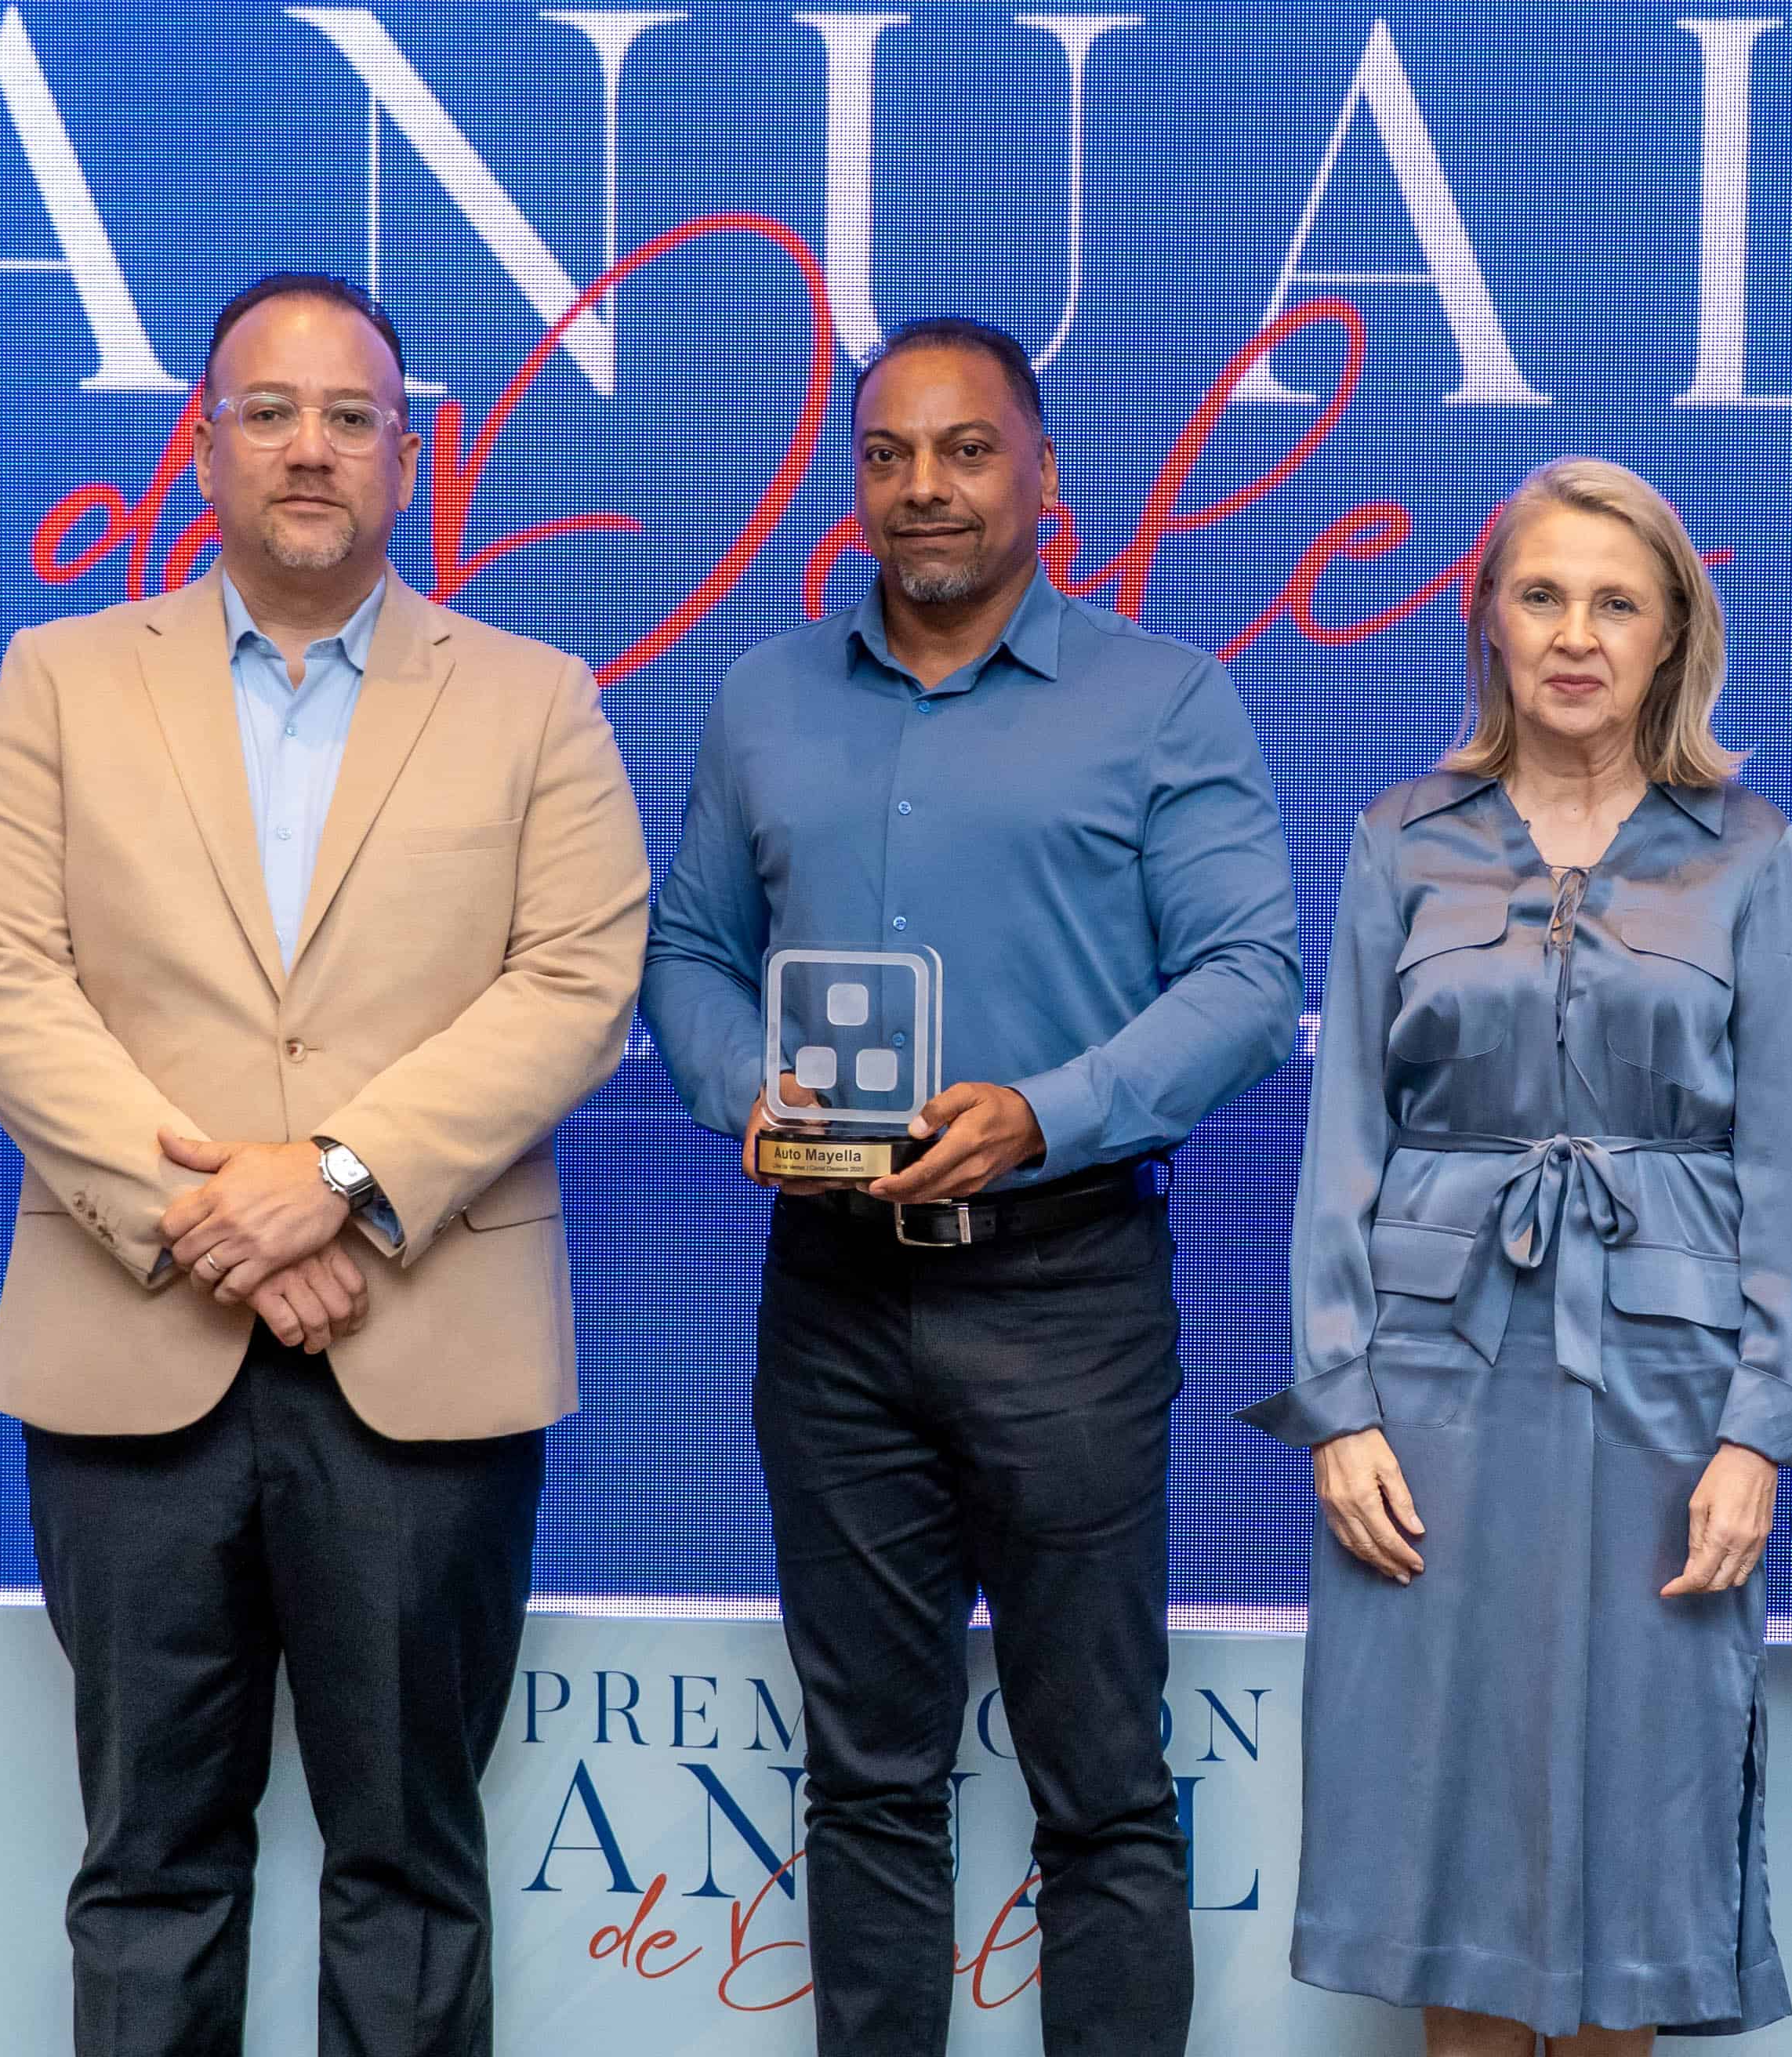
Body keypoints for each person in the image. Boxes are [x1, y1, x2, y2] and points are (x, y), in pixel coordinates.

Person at [0, 271, 648, 2057]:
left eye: (351, 417)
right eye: (270, 412)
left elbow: (576, 980)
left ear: (412, 455)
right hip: (132, 1353)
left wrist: (332, 1172)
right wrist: (222, 1217)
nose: (310, 448)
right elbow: (3, 978)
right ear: (203, 445)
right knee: (150, 1862)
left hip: (427, 1361)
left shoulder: (538, 701)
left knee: (411, 1868)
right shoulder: (61, 682)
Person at [643, 314, 1300, 2056]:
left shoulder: (1165, 699)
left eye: (965, 450)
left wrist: (1046, 1111)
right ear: (856, 480)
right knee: (866, 1777)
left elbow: (1249, 980)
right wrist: (739, 1093)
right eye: (888, 455)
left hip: (1065, 1290)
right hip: (834, 1297)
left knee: (1100, 1782)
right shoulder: (763, 698)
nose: (924, 487)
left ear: (1044, 477)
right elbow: (690, 952)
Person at [1242, 456, 1792, 2054]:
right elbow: (1345, 1149)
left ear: (1672, 638)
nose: (1576, 634)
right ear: (1489, 624)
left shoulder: (1746, 851)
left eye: (1617, 602)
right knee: (1454, 1832)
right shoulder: (1403, 838)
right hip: (1432, 1403)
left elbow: (1789, 1168)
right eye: (1543, 597)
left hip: (1671, 1404)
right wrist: (1343, 1409)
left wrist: (1759, 1434)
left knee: (1635, 1854)